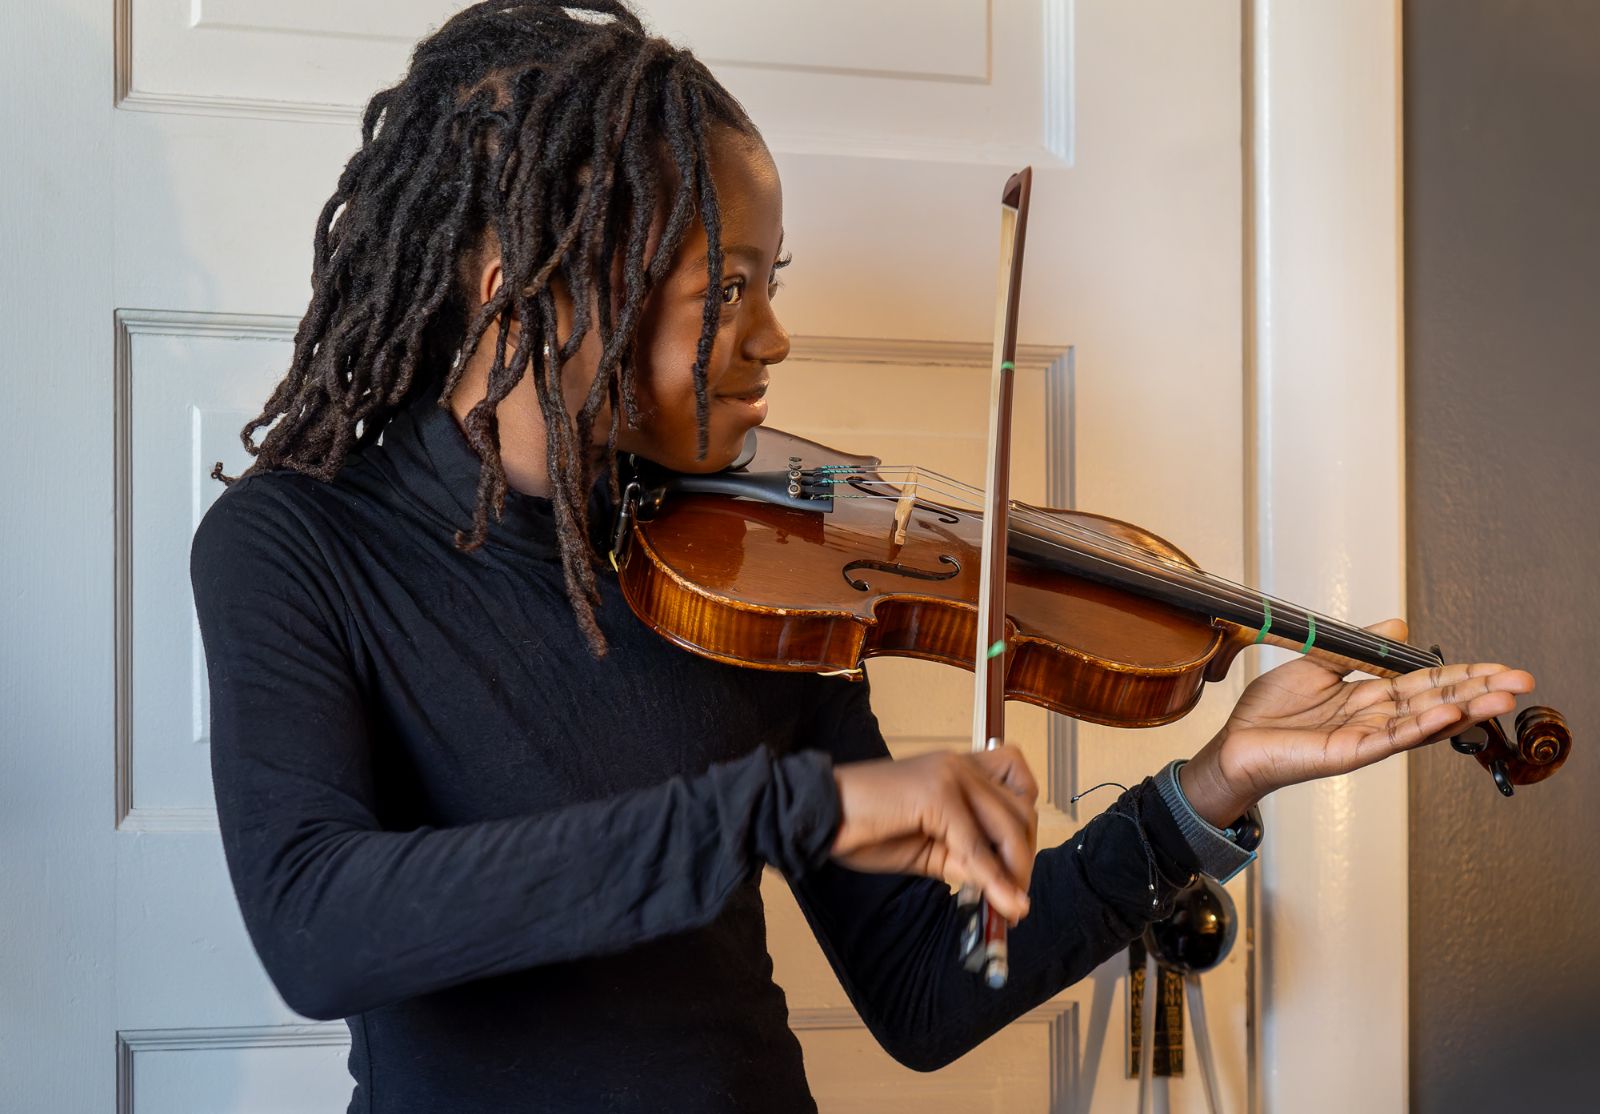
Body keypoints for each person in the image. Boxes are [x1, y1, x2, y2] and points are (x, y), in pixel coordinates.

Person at [189, 3, 1533, 1112]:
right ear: (522, 281)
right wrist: (789, 807)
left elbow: (926, 994)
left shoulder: (751, 573)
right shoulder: (293, 547)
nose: (771, 339)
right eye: (727, 291)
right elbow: (320, 921)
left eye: (774, 284)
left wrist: (1210, 784)